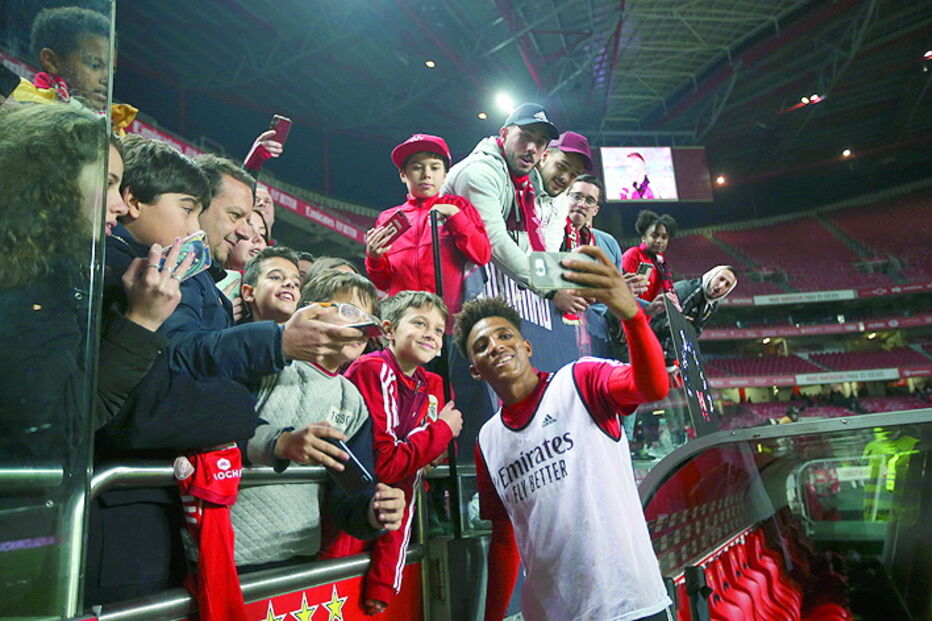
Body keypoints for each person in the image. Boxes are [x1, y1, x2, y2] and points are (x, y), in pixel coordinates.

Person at [454, 245, 672, 621]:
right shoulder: (487, 441)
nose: (496, 347)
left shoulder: (580, 380)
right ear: (475, 369)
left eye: (504, 336)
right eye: (482, 346)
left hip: (630, 604)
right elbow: (505, 540)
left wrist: (633, 317)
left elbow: (652, 387)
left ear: (526, 345)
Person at [227, 250, 404, 569]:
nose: (362, 327)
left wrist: (375, 511)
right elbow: (209, 427)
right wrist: (280, 443)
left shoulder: (354, 401)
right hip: (228, 550)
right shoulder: (266, 359)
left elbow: (349, 497)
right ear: (311, 312)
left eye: (369, 320)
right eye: (350, 312)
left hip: (298, 556)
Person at [322, 291, 464, 615]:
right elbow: (387, 463)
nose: (431, 333)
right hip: (350, 507)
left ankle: (383, 585)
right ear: (388, 329)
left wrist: (431, 444)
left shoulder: (435, 385)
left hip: (396, 511)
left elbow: (431, 458)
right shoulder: (374, 369)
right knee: (330, 595)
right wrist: (439, 431)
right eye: (419, 322)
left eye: (439, 329)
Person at [440, 103, 560, 296]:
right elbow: (494, 239)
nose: (531, 148)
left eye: (540, 142)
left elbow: (529, 240)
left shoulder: (526, 181)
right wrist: (551, 289)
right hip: (443, 287)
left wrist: (560, 279)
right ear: (503, 135)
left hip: (472, 287)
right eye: (525, 136)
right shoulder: (479, 172)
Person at [365, 133, 491, 317]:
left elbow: (482, 255)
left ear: (445, 174)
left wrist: (455, 216)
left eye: (435, 168)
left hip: (450, 322)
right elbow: (383, 283)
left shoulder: (459, 207)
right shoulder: (387, 218)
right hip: (403, 322)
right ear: (403, 174)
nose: (426, 175)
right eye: (417, 167)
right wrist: (374, 257)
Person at [12, 6, 137, 133]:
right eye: (95, 65)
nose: (107, 80)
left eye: (112, 73)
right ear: (51, 62)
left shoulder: (115, 130)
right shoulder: (18, 105)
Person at [538, 131, 593, 252]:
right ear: (544, 156)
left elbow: (551, 250)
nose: (565, 178)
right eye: (562, 166)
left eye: (573, 175)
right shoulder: (517, 187)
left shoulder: (561, 203)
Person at [622, 209, 678, 305]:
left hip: (651, 315)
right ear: (644, 238)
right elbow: (624, 292)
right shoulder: (633, 255)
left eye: (664, 237)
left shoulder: (661, 263)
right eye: (654, 236)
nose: (659, 241)